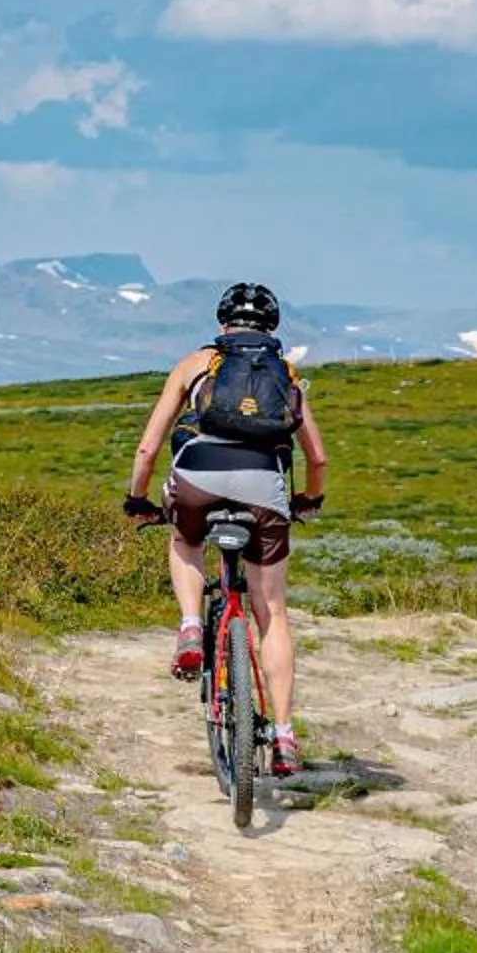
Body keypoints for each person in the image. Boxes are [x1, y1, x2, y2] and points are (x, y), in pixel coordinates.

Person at [121, 282, 327, 775]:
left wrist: (137, 499)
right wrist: (310, 498)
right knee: (271, 611)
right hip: (264, 487)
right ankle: (283, 736)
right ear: (271, 327)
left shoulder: (195, 365)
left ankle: (192, 626)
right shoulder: (286, 373)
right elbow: (316, 455)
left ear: (221, 324)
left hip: (197, 475)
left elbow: (148, 449)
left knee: (184, 538)